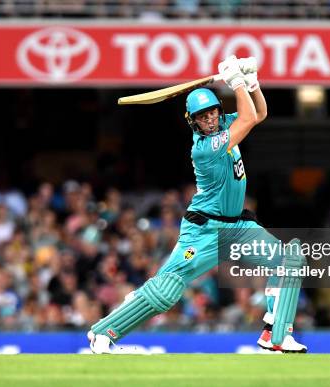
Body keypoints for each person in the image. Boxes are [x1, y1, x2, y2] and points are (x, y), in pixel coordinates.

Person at [88, 55, 308, 354]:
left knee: (288, 261)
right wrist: (236, 82)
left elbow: (257, 115)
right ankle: (103, 334)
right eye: (202, 117)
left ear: (219, 111)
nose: (209, 120)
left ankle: (276, 336)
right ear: (194, 122)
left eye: (213, 113)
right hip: (205, 230)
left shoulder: (225, 126)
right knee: (167, 289)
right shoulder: (205, 149)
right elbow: (245, 119)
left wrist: (252, 84)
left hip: (238, 227)